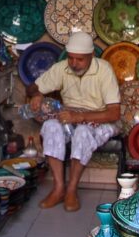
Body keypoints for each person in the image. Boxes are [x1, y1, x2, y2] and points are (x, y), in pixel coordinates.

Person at [26, 31, 121, 212]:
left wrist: (81, 117)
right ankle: (59, 188)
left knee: (83, 132)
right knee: (51, 126)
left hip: (101, 120)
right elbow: (33, 87)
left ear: (91, 56)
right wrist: (36, 95)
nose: (74, 64)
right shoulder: (62, 68)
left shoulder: (104, 70)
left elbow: (114, 113)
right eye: (71, 58)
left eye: (80, 60)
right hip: (71, 118)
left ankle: (71, 190)